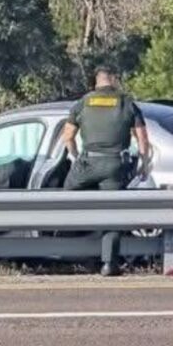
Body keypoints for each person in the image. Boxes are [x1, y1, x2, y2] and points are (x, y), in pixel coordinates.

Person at [61, 64, 151, 276]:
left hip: (87, 164)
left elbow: (68, 137)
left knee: (64, 202)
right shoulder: (126, 103)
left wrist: (76, 156)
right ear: (113, 79)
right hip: (114, 165)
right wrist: (143, 164)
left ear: (97, 81)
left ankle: (63, 252)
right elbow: (143, 139)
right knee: (113, 213)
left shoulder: (83, 103)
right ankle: (109, 264)